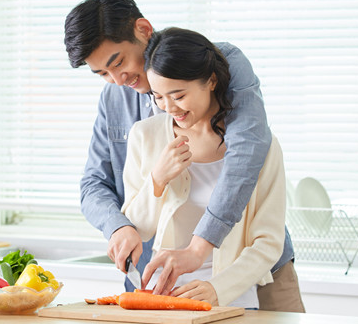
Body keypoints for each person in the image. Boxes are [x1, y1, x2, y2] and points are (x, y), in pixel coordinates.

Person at [63, 0, 305, 312]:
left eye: (117, 62)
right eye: (102, 74)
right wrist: (119, 226)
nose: (118, 81)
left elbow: (248, 152)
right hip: (161, 280)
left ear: (143, 30)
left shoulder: (220, 65)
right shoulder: (130, 117)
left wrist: (200, 252)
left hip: (255, 278)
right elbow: (95, 183)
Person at [121, 27, 286, 308]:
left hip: (230, 299)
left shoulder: (260, 147)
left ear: (210, 81)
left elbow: (268, 242)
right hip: (163, 299)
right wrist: (157, 180)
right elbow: (139, 229)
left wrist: (217, 289)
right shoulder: (145, 136)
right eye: (158, 97)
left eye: (178, 95)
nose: (169, 107)